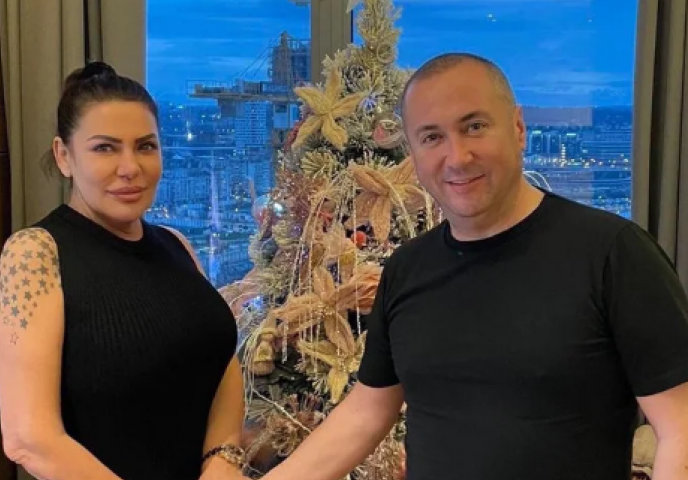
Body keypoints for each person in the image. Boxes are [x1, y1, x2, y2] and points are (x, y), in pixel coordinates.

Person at [251, 53, 688, 480]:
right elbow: (366, 413)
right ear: (412, 152)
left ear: (518, 128)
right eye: (432, 137)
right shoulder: (407, 269)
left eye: (474, 127)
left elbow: (680, 429)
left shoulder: (613, 254)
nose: (457, 157)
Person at [0, 62, 246, 480]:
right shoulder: (35, 254)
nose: (130, 167)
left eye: (145, 146)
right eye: (105, 148)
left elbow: (219, 358)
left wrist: (223, 459)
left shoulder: (175, 244)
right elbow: (29, 439)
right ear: (64, 156)